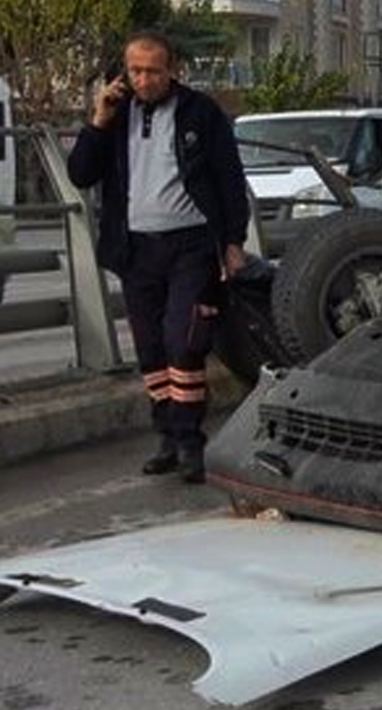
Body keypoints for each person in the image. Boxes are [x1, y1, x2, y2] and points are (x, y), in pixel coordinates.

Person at [68, 30, 250, 484]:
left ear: (172, 70)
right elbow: (80, 174)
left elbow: (229, 178)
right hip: (135, 248)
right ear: (124, 72)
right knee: (150, 348)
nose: (144, 79)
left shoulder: (199, 112)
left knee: (183, 340)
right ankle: (167, 435)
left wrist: (232, 242)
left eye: (153, 70)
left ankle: (191, 442)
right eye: (135, 70)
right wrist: (97, 120)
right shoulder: (116, 116)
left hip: (190, 243)